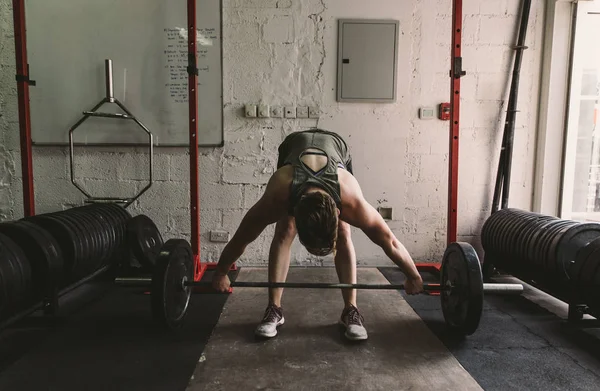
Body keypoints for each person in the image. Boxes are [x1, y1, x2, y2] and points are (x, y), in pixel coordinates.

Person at [211, 128, 423, 341]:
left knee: (343, 230)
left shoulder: (350, 197)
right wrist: (221, 272)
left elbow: (390, 242)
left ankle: (351, 310)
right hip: (293, 148)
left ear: (339, 211)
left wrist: (413, 276)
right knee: (285, 229)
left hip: (336, 147)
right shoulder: (279, 194)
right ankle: (274, 308)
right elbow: (243, 237)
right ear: (294, 210)